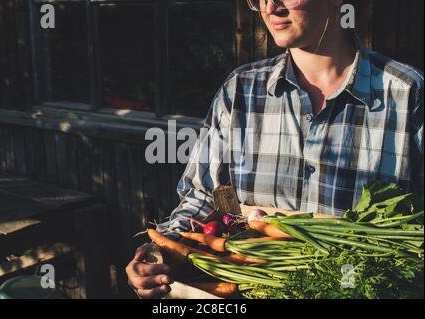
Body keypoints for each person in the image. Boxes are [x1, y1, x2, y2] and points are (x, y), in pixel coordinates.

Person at [126, 0, 424, 298]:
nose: (270, 6)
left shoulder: (406, 94)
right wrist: (159, 251)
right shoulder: (241, 90)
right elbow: (203, 196)